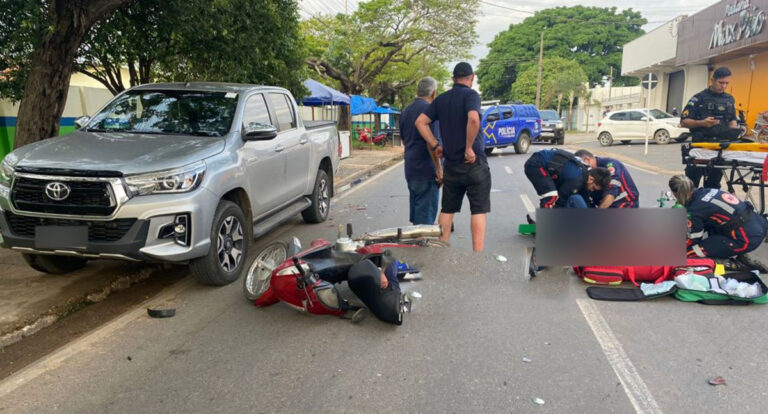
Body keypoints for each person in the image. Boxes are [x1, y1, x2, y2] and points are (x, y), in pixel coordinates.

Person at [415, 62, 490, 252]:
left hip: (451, 165)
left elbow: (420, 122)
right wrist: (469, 148)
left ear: (453, 79)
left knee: (447, 209)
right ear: (472, 78)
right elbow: (473, 118)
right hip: (474, 164)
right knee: (478, 210)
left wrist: (435, 144)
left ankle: (442, 249)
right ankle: (477, 255)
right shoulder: (472, 95)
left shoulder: (441, 99)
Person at [668, 175, 768, 261]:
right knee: (711, 224)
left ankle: (729, 263)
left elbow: (694, 238)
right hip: (758, 224)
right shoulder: (707, 190)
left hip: (746, 240)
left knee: (687, 254)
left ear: (676, 194)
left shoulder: (694, 210)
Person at [681, 66, 740, 189]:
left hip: (719, 149)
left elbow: (732, 120)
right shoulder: (698, 98)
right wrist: (702, 123)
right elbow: (683, 121)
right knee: (691, 187)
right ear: (712, 80)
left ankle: (708, 208)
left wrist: (733, 132)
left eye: (726, 83)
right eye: (721, 82)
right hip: (700, 147)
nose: (724, 86)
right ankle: (689, 208)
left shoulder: (729, 99)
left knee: (713, 188)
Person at [400, 77, 440, 225]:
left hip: (411, 168)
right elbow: (432, 143)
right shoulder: (430, 112)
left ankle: (416, 243)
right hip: (426, 170)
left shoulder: (406, 111)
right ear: (433, 93)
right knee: (425, 222)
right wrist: (439, 169)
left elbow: (404, 140)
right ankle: (421, 246)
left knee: (418, 216)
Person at [523, 149, 612, 209]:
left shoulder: (586, 175)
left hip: (547, 166)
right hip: (536, 164)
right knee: (552, 196)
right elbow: (560, 200)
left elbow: (586, 199)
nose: (592, 190)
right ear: (591, 179)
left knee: (567, 196)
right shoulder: (577, 180)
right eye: (593, 188)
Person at [575, 149, 639, 208]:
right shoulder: (592, 174)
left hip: (626, 204)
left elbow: (611, 193)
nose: (583, 170)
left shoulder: (611, 165)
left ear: (587, 160)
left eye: (582, 166)